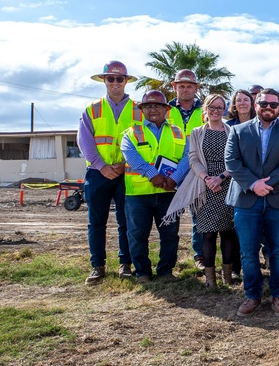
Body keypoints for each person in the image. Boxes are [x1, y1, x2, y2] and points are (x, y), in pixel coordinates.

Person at [226, 89, 279, 318]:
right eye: (264, 103)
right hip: (246, 199)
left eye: (273, 104)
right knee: (249, 252)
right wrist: (253, 184)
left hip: (278, 199)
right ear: (255, 104)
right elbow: (231, 161)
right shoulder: (238, 131)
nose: (268, 107)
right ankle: (252, 296)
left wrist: (267, 185)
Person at [79, 60, 140, 284]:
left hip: (127, 173)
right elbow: (84, 142)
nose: (115, 82)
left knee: (126, 221)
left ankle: (126, 263)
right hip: (97, 173)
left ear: (126, 81)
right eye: (111, 78)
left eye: (120, 78)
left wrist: (124, 165)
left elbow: (144, 141)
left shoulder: (137, 109)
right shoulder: (92, 109)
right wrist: (102, 166)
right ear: (104, 80)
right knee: (96, 222)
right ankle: (98, 266)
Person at [120, 90, 190, 284]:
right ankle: (142, 272)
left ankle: (166, 270)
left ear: (166, 109)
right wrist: (154, 175)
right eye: (148, 106)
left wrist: (175, 178)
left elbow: (187, 156)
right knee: (137, 234)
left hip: (169, 192)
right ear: (142, 110)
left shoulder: (178, 131)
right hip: (139, 193)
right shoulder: (131, 134)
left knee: (169, 233)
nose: (153, 109)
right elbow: (133, 158)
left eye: (157, 106)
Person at [186, 94, 240, 287]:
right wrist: (207, 178)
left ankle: (227, 276)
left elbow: (236, 158)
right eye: (212, 107)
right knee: (208, 234)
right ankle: (210, 280)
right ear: (205, 109)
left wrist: (221, 177)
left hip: (227, 183)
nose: (216, 111)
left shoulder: (232, 130)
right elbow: (193, 158)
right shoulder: (197, 132)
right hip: (205, 186)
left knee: (227, 232)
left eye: (220, 107)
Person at [168, 69, 206, 273]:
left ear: (196, 88)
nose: (185, 89)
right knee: (170, 216)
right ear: (174, 87)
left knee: (198, 215)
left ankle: (199, 255)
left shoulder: (204, 112)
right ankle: (168, 260)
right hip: (167, 171)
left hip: (196, 170)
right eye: (181, 85)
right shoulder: (165, 110)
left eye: (189, 86)